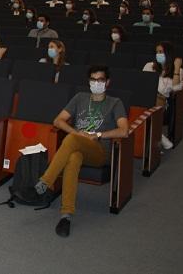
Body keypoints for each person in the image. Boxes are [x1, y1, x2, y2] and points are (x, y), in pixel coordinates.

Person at [34, 65, 128, 237]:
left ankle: (47, 180)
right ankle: (66, 215)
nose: (96, 83)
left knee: (70, 140)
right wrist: (77, 133)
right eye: (93, 79)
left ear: (107, 82)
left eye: (100, 80)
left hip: (99, 151)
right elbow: (58, 120)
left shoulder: (115, 103)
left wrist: (98, 135)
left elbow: (124, 130)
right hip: (78, 146)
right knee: (73, 158)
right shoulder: (80, 98)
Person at [142, 42, 183, 150]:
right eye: (156, 52)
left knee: (148, 114)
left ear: (168, 54)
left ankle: (155, 142)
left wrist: (177, 68)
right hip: (146, 98)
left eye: (161, 52)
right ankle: (160, 137)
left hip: (161, 102)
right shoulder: (149, 66)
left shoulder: (178, 71)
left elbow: (176, 88)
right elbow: (141, 83)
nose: (158, 54)